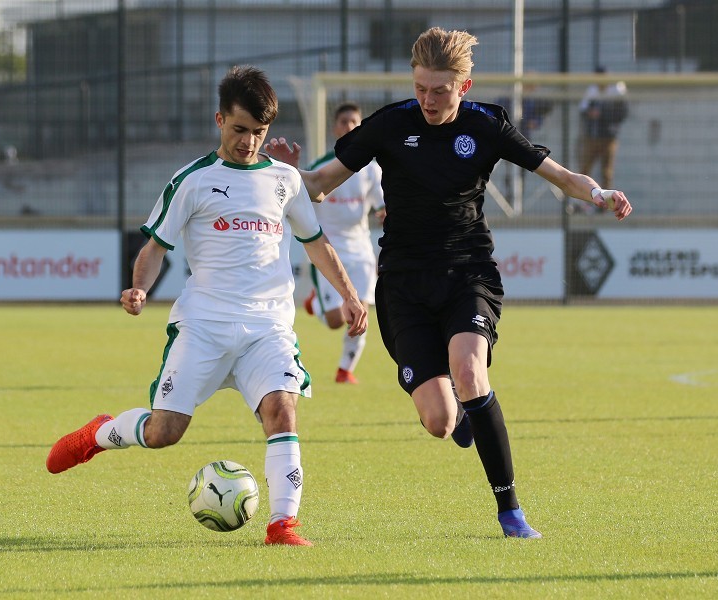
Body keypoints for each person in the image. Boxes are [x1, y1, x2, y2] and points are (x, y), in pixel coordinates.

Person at [265, 27, 632, 539]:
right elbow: (321, 185)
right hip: (404, 284)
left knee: (468, 368)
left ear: (465, 86)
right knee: (439, 420)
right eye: (420, 87)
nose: (428, 100)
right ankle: (461, 419)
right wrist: (284, 173)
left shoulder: (487, 124)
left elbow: (564, 176)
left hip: (467, 272)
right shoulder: (391, 124)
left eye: (440, 90)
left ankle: (511, 513)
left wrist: (599, 193)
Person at [46, 65, 368, 547]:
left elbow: (315, 242)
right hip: (204, 325)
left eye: (259, 133)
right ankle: (100, 432)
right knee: (163, 432)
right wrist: (139, 288)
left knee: (282, 410)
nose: (249, 142)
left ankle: (283, 525)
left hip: (268, 328)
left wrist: (349, 294)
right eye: (240, 130)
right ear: (220, 120)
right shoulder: (192, 180)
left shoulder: (285, 180)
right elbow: (155, 246)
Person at [301, 102, 385, 384]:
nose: (349, 127)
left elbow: (380, 205)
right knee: (337, 319)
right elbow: (302, 204)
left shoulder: (372, 170)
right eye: (344, 122)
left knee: (360, 312)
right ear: (335, 128)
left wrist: (386, 214)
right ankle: (316, 301)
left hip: (361, 250)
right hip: (329, 250)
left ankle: (344, 369)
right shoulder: (320, 168)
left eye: (354, 122)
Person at [578, 66, 628, 209]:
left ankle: (606, 206)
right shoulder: (592, 91)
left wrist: (603, 115)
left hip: (608, 138)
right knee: (585, 169)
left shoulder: (617, 90)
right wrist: (590, 113)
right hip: (592, 138)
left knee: (606, 172)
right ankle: (584, 204)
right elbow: (583, 110)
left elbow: (622, 113)